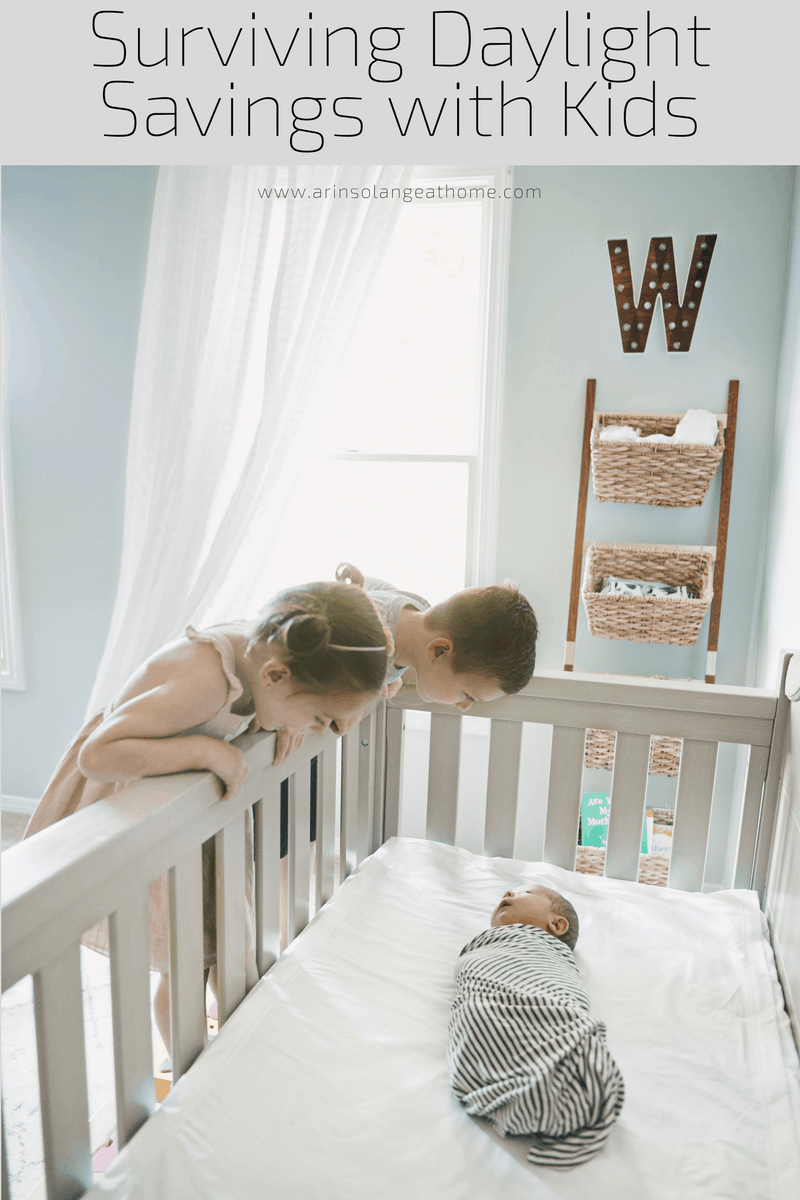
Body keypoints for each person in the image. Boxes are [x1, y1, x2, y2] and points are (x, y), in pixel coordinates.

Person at [24, 581, 389, 1053]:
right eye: (319, 717)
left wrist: (270, 722)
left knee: (216, 940)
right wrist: (204, 749)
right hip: (130, 801)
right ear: (276, 676)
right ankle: (186, 1072)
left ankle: (231, 1046)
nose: (318, 730)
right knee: (185, 958)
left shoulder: (263, 665)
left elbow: (268, 706)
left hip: (185, 816)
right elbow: (98, 755)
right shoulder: (206, 677)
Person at [448, 884, 625, 1168]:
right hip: (483, 1007)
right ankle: (532, 1090)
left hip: (546, 1001)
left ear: (556, 924)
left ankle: (542, 1088)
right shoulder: (489, 944)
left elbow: (547, 982)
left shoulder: (546, 950)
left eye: (523, 893)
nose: (506, 894)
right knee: (481, 1017)